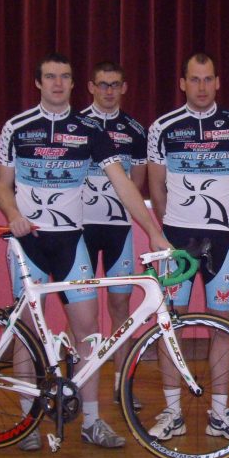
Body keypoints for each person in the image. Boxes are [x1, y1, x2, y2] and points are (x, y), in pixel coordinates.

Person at [0, 52, 169, 451]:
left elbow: (124, 185)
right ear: (38, 83)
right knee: (26, 335)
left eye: (65, 77)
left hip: (71, 242)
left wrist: (152, 231)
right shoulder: (16, 128)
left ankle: (92, 421)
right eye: (50, 77)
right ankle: (27, 422)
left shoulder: (90, 130)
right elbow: (3, 185)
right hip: (28, 242)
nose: (58, 84)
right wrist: (12, 214)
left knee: (89, 333)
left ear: (74, 84)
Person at [146, 53, 229, 441]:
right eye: (194, 79)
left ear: (217, 81)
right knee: (170, 327)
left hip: (224, 239)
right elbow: (156, 189)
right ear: (183, 83)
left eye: (208, 79)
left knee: (222, 327)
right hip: (177, 240)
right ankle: (173, 412)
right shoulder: (163, 127)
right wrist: (170, 228)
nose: (202, 86)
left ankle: (220, 413)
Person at [79, 61, 149, 406]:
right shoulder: (75, 124)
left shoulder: (135, 130)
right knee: (84, 312)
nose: (108, 91)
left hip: (119, 229)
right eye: (102, 84)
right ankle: (83, 379)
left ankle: (123, 383)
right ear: (91, 87)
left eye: (115, 85)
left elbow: (136, 182)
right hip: (80, 231)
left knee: (121, 306)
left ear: (124, 88)